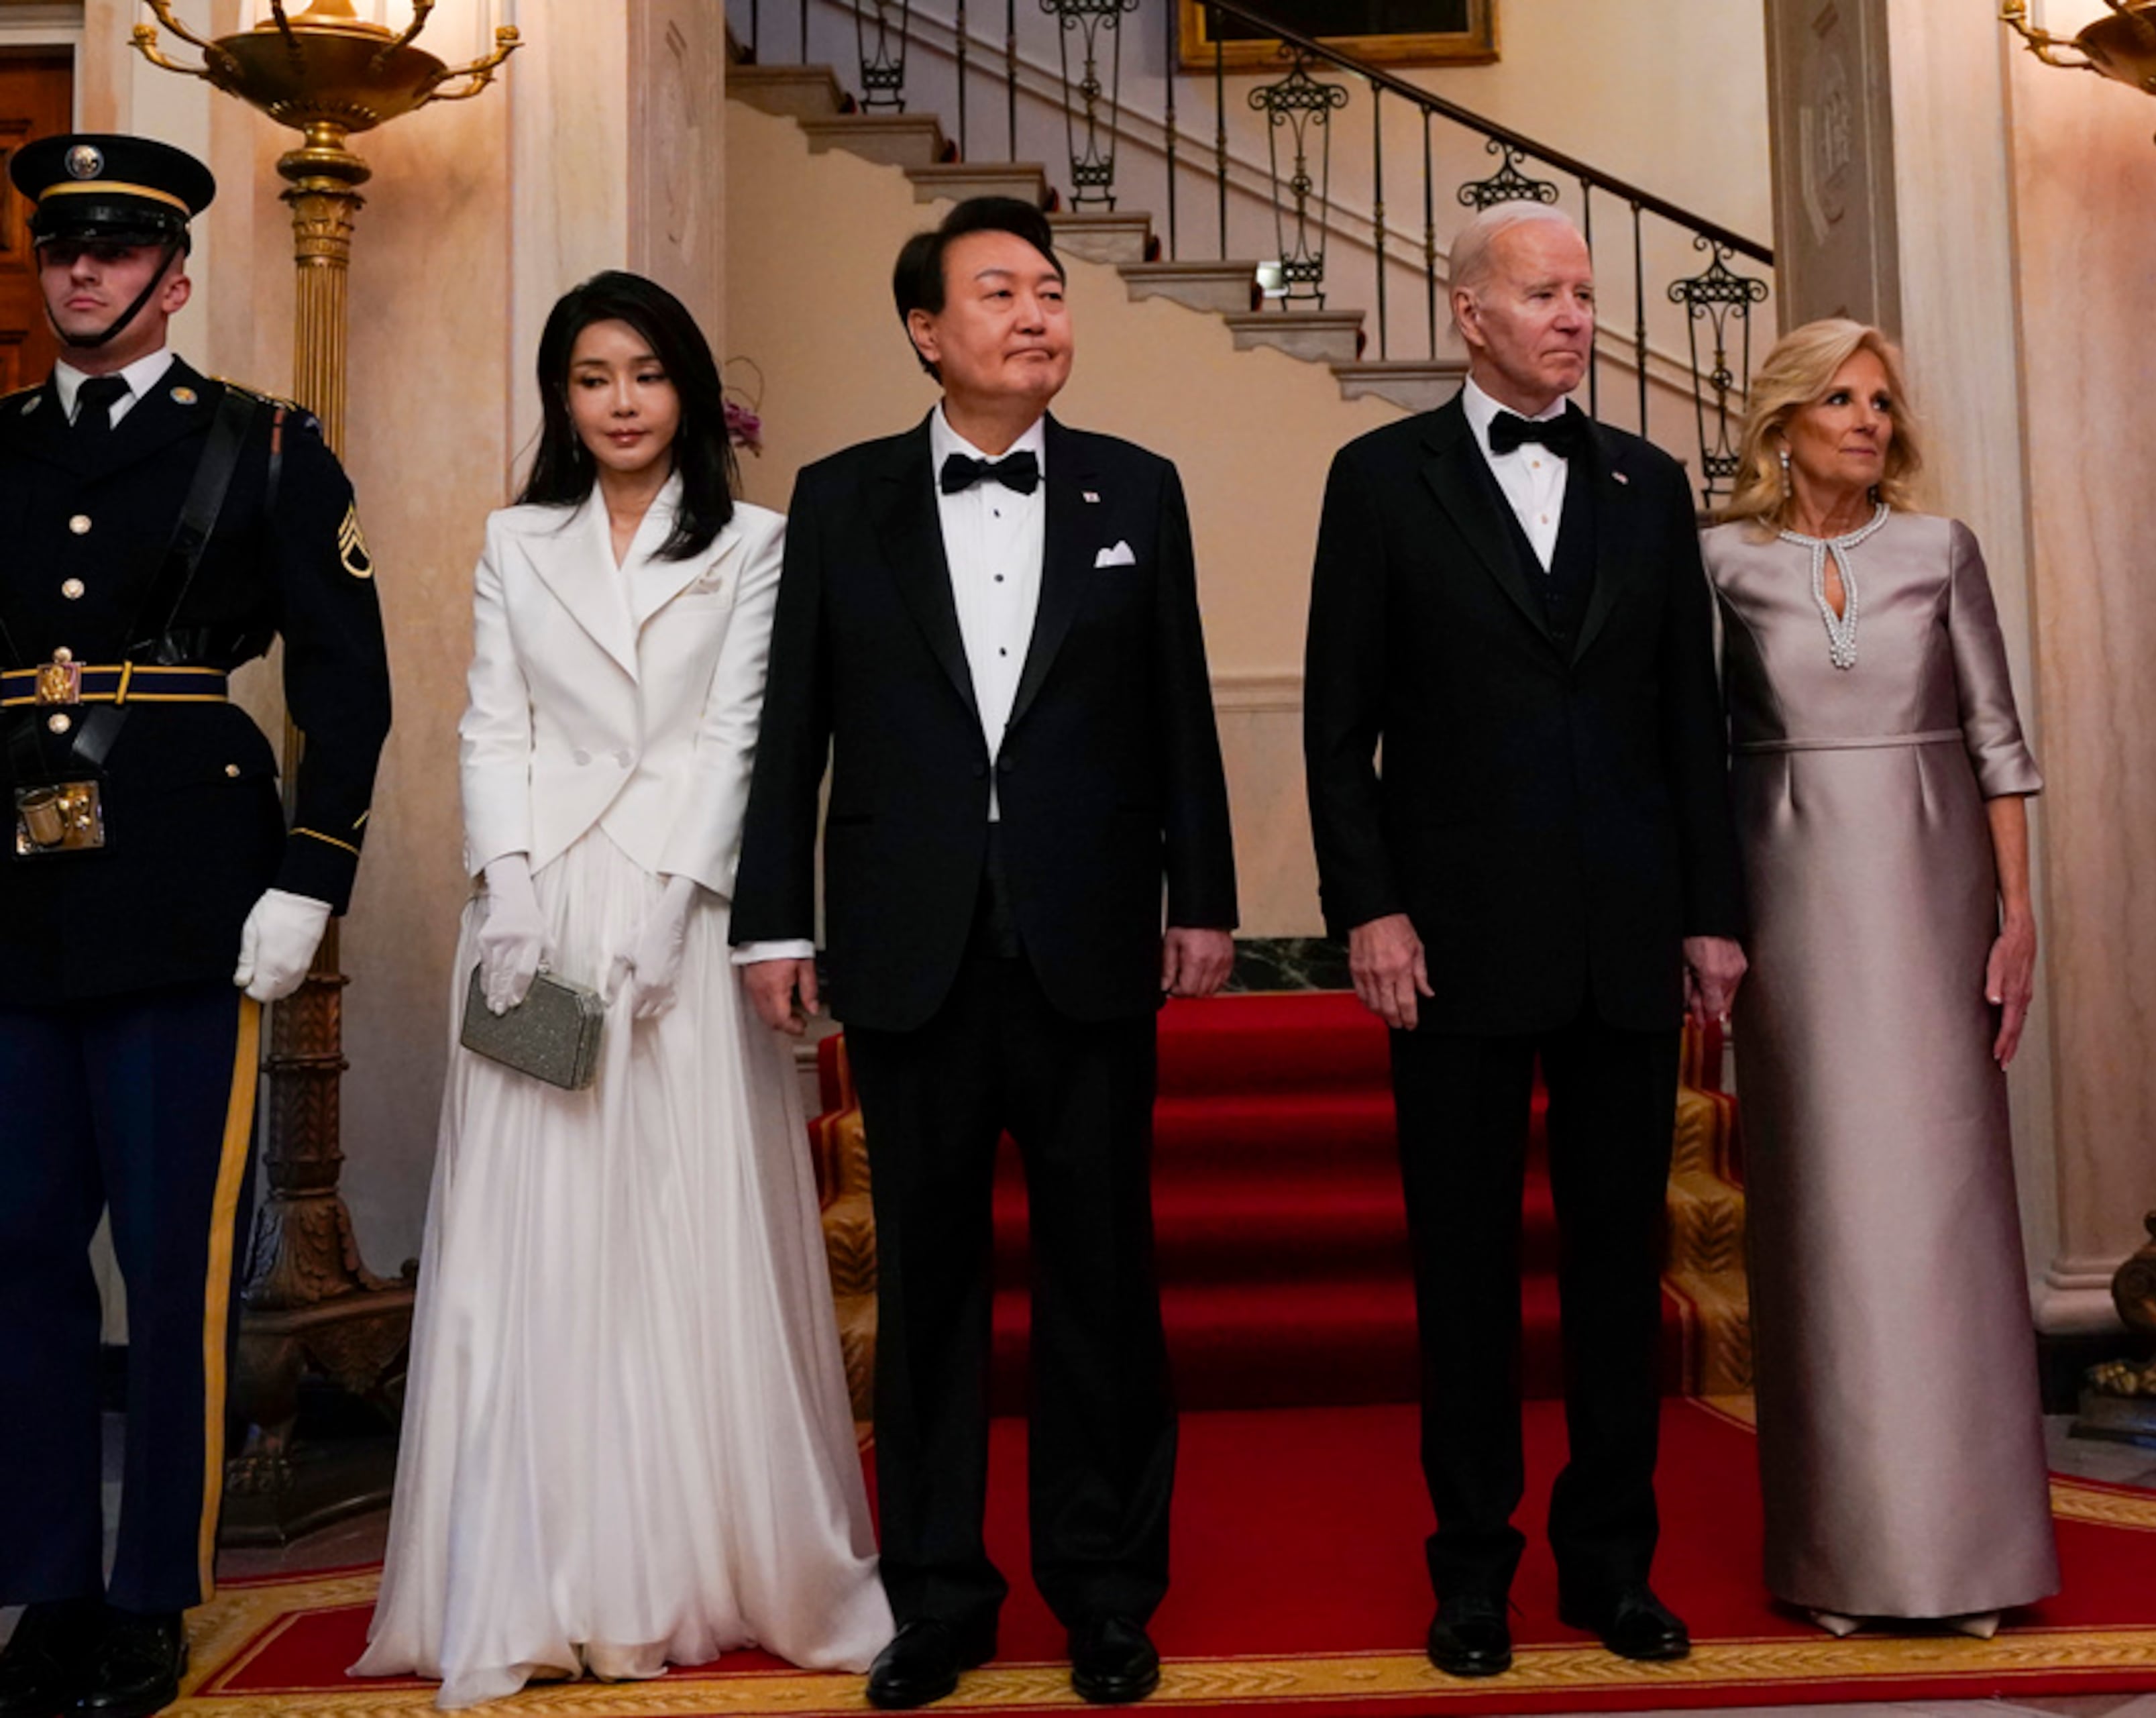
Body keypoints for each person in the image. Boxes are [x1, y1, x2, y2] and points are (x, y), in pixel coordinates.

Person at [352, 271, 893, 1706]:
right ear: (562, 399)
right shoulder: (514, 540)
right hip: (534, 925)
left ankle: (698, 1561)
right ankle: (541, 1574)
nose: (621, 402)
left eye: (646, 374)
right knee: (539, 1250)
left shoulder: (760, 543)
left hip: (680, 916)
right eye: (592, 378)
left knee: (685, 1232)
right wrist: (511, 887)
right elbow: (492, 720)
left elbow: (738, 738)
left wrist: (673, 908)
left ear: (691, 390)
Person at [731, 197, 1236, 1711]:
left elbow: (1180, 716)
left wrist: (1200, 896)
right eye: (1000, 293)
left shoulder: (1138, 488)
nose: (1037, 316)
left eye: (1052, 294)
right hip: (908, 948)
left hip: (1088, 945)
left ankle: (1105, 1592)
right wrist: (774, 918)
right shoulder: (840, 499)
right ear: (926, 330)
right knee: (930, 1288)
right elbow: (792, 735)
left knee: (1102, 1284)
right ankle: (939, 1595)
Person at [1301, 200, 1740, 1675]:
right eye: (1546, 294)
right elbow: (1336, 724)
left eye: (1587, 296)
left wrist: (1712, 915)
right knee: (1467, 1272)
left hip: (1627, 939)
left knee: (1620, 1271)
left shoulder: (1649, 480)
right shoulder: (1378, 480)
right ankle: (1472, 1574)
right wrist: (1367, 903)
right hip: (1455, 944)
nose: (1576, 317)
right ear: (1468, 311)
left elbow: (1695, 717)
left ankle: (1614, 1569)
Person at [0, 135, 389, 1718]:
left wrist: (312, 874)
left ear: (172, 274)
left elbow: (346, 686)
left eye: (112, 251)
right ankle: (46, 1587)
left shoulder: (266, 447)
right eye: (57, 251)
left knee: (170, 1267)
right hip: (12, 909)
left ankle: (155, 1591)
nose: (78, 274)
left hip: (185, 906)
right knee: (16, 1256)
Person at [1699, 319, 2056, 1637]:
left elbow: (2000, 743)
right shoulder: (1719, 564)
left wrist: (2019, 914)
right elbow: (1692, 755)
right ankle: (1841, 1556)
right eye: (1840, 400)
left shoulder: (1939, 550)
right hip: (1788, 901)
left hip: (1936, 889)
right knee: (1825, 1217)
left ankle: (1975, 1559)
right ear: (1781, 421)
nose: (1866, 421)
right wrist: (1706, 922)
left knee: (1947, 1216)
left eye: (1883, 403)